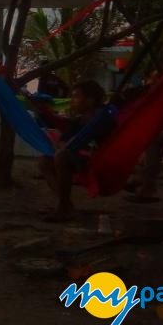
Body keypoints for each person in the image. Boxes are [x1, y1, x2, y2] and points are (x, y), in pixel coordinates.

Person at [39, 80, 118, 222]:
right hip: (78, 157)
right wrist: (63, 145)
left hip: (100, 161)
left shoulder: (104, 117)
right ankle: (67, 205)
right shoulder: (78, 121)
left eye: (76, 97)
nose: (72, 101)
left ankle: (64, 208)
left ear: (90, 100)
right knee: (45, 160)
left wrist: (67, 147)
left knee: (62, 157)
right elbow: (63, 141)